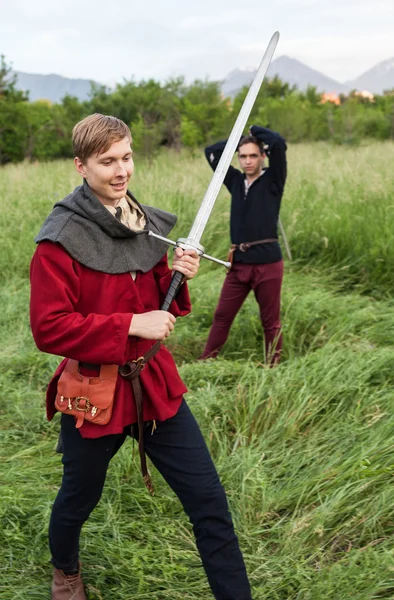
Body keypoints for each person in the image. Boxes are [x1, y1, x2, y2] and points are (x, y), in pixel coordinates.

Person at [30, 114, 252, 600]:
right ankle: (65, 569)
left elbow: (160, 308)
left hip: (153, 385)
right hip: (94, 391)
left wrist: (177, 275)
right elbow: (48, 328)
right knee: (78, 498)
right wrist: (129, 323)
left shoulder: (146, 226)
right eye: (106, 161)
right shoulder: (59, 240)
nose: (120, 170)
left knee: (209, 501)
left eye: (126, 157)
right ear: (80, 166)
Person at [199, 125, 287, 364]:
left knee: (270, 321)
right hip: (239, 265)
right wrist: (238, 137)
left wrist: (255, 130)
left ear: (263, 156)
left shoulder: (273, 180)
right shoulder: (235, 181)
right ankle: (206, 361)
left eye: (253, 155)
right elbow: (212, 152)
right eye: (243, 156)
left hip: (268, 264)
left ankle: (273, 366)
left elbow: (278, 143)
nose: (247, 161)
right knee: (222, 315)